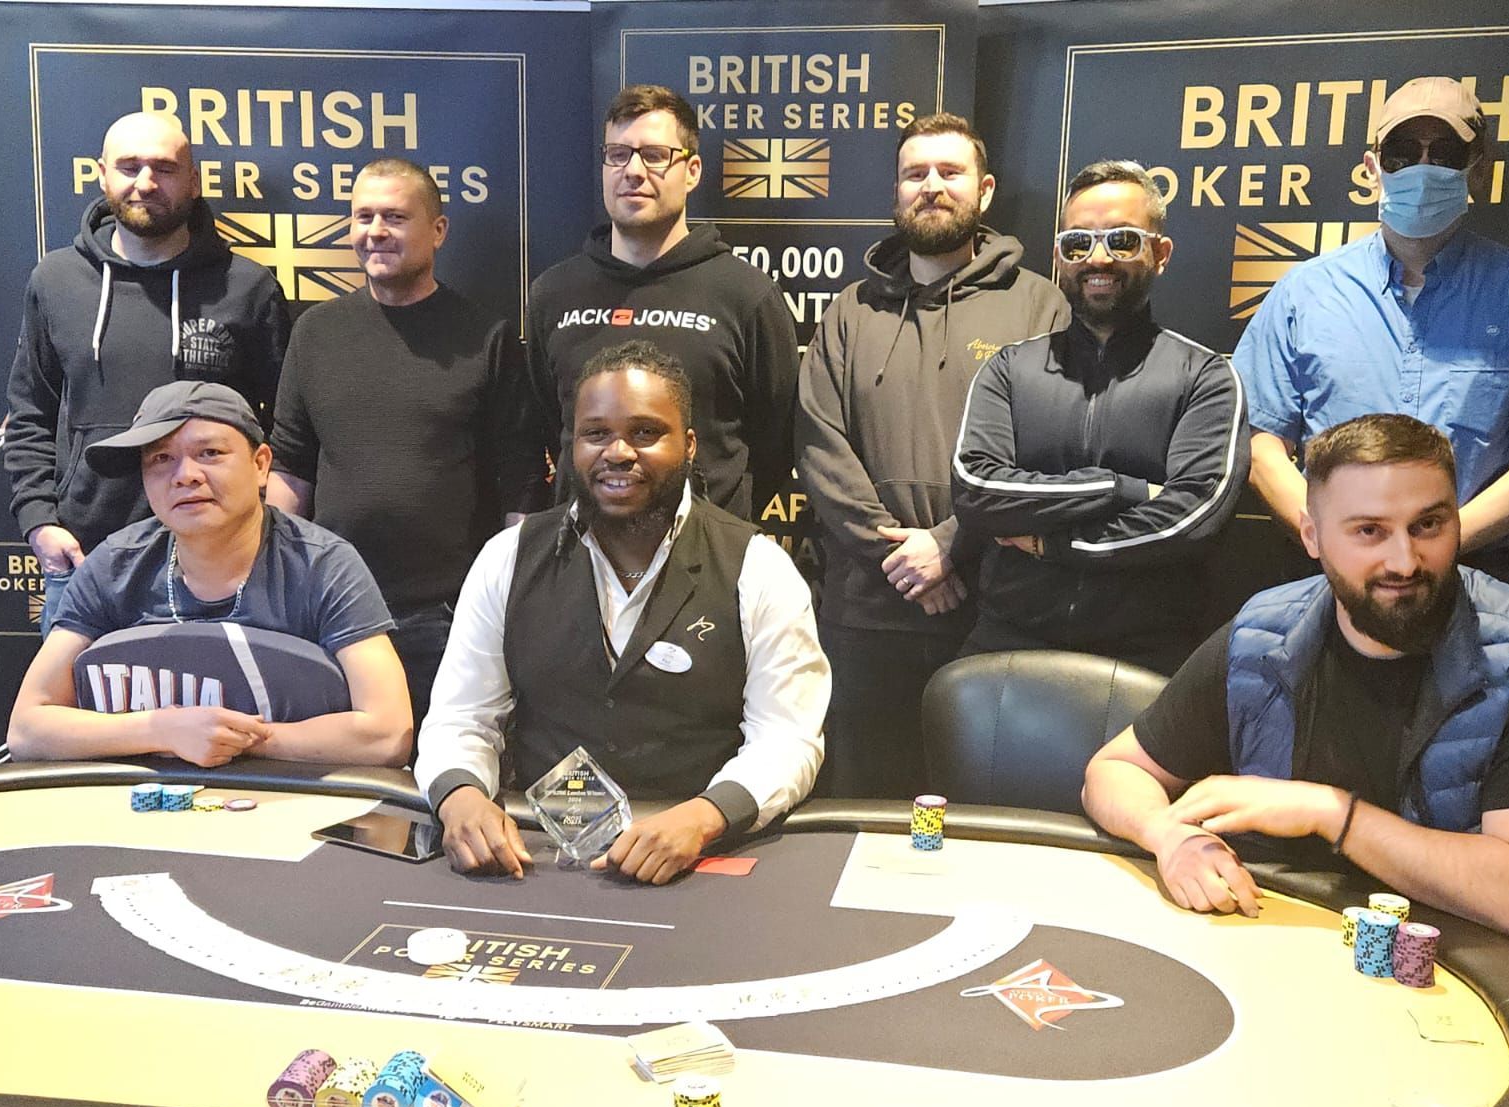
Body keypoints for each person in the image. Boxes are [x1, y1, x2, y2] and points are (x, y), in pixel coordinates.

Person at [1083, 414, 1509, 960]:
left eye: (1428, 525)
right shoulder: (1263, 633)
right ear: (1313, 535)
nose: (1404, 560)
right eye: (1368, 531)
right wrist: (1171, 837)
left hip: (1458, 971)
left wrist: (1330, 812)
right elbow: (1115, 770)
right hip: (1279, 951)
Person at [414, 340, 828, 884]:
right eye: (595, 433)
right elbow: (462, 717)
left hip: (697, 857)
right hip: (539, 854)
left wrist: (704, 818)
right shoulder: (509, 557)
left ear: (690, 445)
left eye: (645, 432)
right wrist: (460, 796)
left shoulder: (758, 567)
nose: (618, 452)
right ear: (571, 446)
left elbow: (787, 738)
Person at [795, 112, 1068, 798]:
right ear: (895, 192)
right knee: (866, 815)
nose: (932, 186)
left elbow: (1049, 449)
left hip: (993, 607)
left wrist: (952, 543)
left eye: (950, 172)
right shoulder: (850, 311)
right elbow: (819, 443)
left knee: (986, 813)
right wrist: (898, 556)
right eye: (916, 173)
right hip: (866, 615)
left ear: (985, 191)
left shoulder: (1039, 305)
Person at [266, 158, 548, 731]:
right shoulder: (315, 334)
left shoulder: (486, 338)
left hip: (445, 615)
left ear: (437, 230)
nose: (376, 231)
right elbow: (291, 470)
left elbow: (520, 481)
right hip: (331, 611)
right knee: (339, 789)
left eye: (395, 216)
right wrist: (271, 576)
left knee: (439, 786)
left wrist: (505, 603)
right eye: (363, 216)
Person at [1237, 76, 1509, 582]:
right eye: (1403, 152)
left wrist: (1439, 543)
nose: (1423, 168)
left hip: (1477, 575)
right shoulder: (1304, 292)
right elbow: (1261, 442)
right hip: (1328, 577)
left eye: (1445, 152)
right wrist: (1335, 538)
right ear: (1372, 167)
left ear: (1478, 171)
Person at [8, 381, 412, 768]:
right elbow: (28, 728)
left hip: (290, 804)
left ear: (260, 465)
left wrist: (240, 740)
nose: (185, 475)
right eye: (160, 458)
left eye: (210, 453)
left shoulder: (322, 565)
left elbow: (387, 732)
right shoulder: (116, 564)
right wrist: (162, 730)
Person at [949, 160, 1248, 674]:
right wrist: (1119, 488)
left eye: (1123, 241)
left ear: (1161, 253)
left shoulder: (1207, 377)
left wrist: (1051, 543)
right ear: (1060, 258)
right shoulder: (1009, 370)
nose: (1098, 258)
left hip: (1150, 658)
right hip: (1007, 645)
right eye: (1078, 244)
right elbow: (977, 491)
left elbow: (1191, 519)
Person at [5, 111, 290, 635]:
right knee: (78, 715)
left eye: (164, 167)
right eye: (129, 166)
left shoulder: (247, 288)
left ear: (194, 179)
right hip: (86, 561)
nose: (145, 182)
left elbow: (283, 430)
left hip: (219, 563)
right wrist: (40, 521)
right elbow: (30, 416)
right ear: (101, 174)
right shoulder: (56, 281)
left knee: (219, 716)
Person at [525, 84, 798, 522]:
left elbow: (778, 439)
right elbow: (543, 423)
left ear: (691, 172)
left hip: (709, 559)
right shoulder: (552, 294)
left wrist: (718, 520)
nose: (633, 170)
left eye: (654, 155)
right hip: (582, 557)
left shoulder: (746, 294)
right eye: (618, 154)